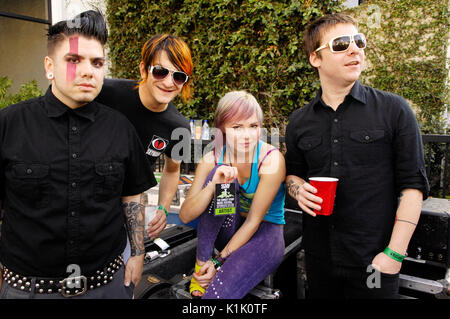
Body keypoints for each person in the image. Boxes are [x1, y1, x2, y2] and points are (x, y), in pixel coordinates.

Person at [0, 10, 156, 299]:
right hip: (28, 290)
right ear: (49, 66)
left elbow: (132, 196)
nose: (88, 71)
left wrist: (137, 253)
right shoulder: (9, 125)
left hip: (108, 286)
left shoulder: (120, 128)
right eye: (74, 60)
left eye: (97, 63)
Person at [285, 13, 429, 299]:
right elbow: (293, 173)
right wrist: (297, 188)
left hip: (374, 261)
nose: (355, 49)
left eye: (359, 41)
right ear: (316, 58)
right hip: (319, 259)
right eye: (340, 44)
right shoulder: (300, 121)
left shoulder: (394, 110)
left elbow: (413, 187)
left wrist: (393, 255)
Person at [179, 91, 286, 299]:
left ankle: (209, 267)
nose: (247, 135)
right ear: (223, 130)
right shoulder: (212, 159)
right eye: (237, 127)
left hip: (265, 234)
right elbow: (185, 215)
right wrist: (212, 187)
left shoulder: (271, 160)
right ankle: (200, 263)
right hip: (230, 227)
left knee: (216, 296)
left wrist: (218, 262)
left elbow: (253, 222)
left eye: (253, 126)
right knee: (218, 176)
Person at [96, 34, 193, 240]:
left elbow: (173, 169)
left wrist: (164, 209)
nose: (169, 83)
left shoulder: (181, 127)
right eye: (160, 72)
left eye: (178, 76)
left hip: (125, 208)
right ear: (143, 69)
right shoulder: (105, 92)